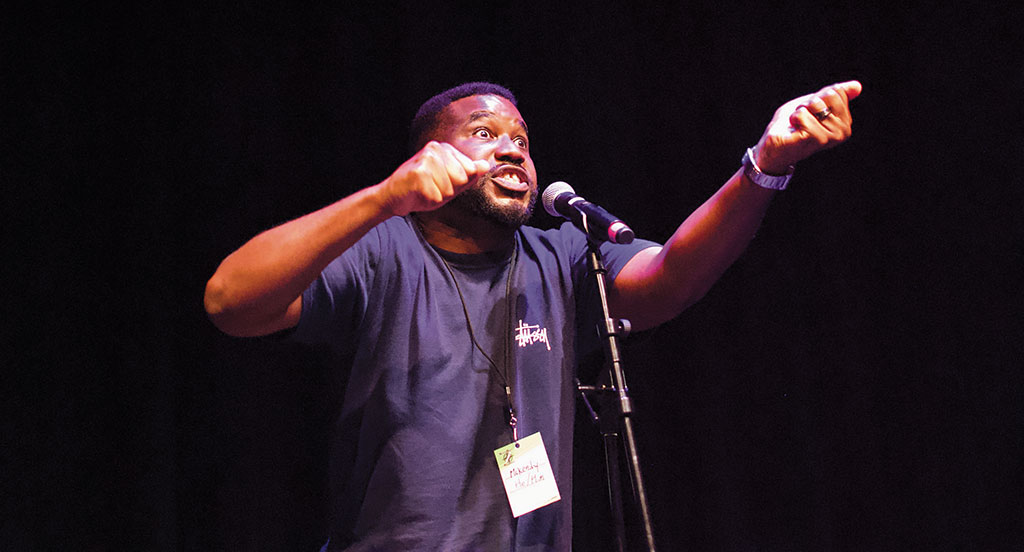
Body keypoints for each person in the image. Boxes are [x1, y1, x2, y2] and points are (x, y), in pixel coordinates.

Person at [204, 80, 861, 551]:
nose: (513, 149)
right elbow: (230, 301)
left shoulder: (562, 254)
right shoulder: (383, 248)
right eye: (484, 134)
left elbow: (672, 278)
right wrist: (383, 199)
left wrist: (764, 167)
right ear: (427, 156)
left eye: (521, 138)